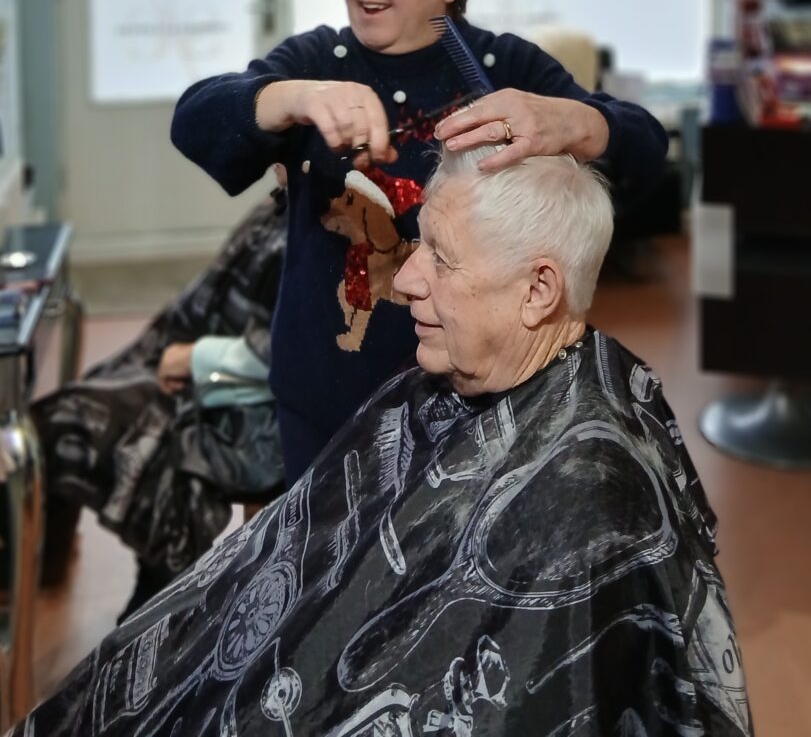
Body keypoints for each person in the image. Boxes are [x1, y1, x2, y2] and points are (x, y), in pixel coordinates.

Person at [13, 147, 751, 736]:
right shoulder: (441, 380)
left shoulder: (588, 493)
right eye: (418, 246)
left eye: (441, 257)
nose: (408, 282)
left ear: (538, 290)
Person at [171, 0, 669, 485]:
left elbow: (648, 152)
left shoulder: (502, 67)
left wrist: (572, 121)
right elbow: (194, 120)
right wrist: (290, 98)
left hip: (473, 409)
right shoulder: (318, 59)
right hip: (326, 398)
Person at [31, 182, 287, 619]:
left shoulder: (322, 225)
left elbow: (284, 349)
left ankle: (153, 597)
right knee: (60, 415)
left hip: (232, 394)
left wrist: (193, 359)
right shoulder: (280, 207)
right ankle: (47, 565)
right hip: (187, 357)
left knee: (65, 426)